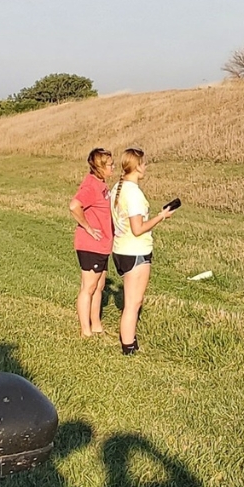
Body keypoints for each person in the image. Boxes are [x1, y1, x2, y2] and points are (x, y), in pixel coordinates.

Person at [109, 147, 175, 355]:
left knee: (132, 301)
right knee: (133, 303)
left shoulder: (117, 188)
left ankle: (130, 340)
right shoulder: (134, 194)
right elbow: (138, 229)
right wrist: (161, 217)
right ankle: (128, 346)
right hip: (135, 251)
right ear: (137, 166)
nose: (145, 167)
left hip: (120, 249)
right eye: (144, 163)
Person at [69, 148, 113, 338]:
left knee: (99, 286)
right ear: (100, 167)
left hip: (103, 245)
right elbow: (74, 206)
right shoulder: (91, 187)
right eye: (110, 165)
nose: (113, 168)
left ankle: (96, 324)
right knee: (88, 288)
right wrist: (87, 227)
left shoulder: (102, 184)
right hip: (90, 245)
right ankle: (85, 330)